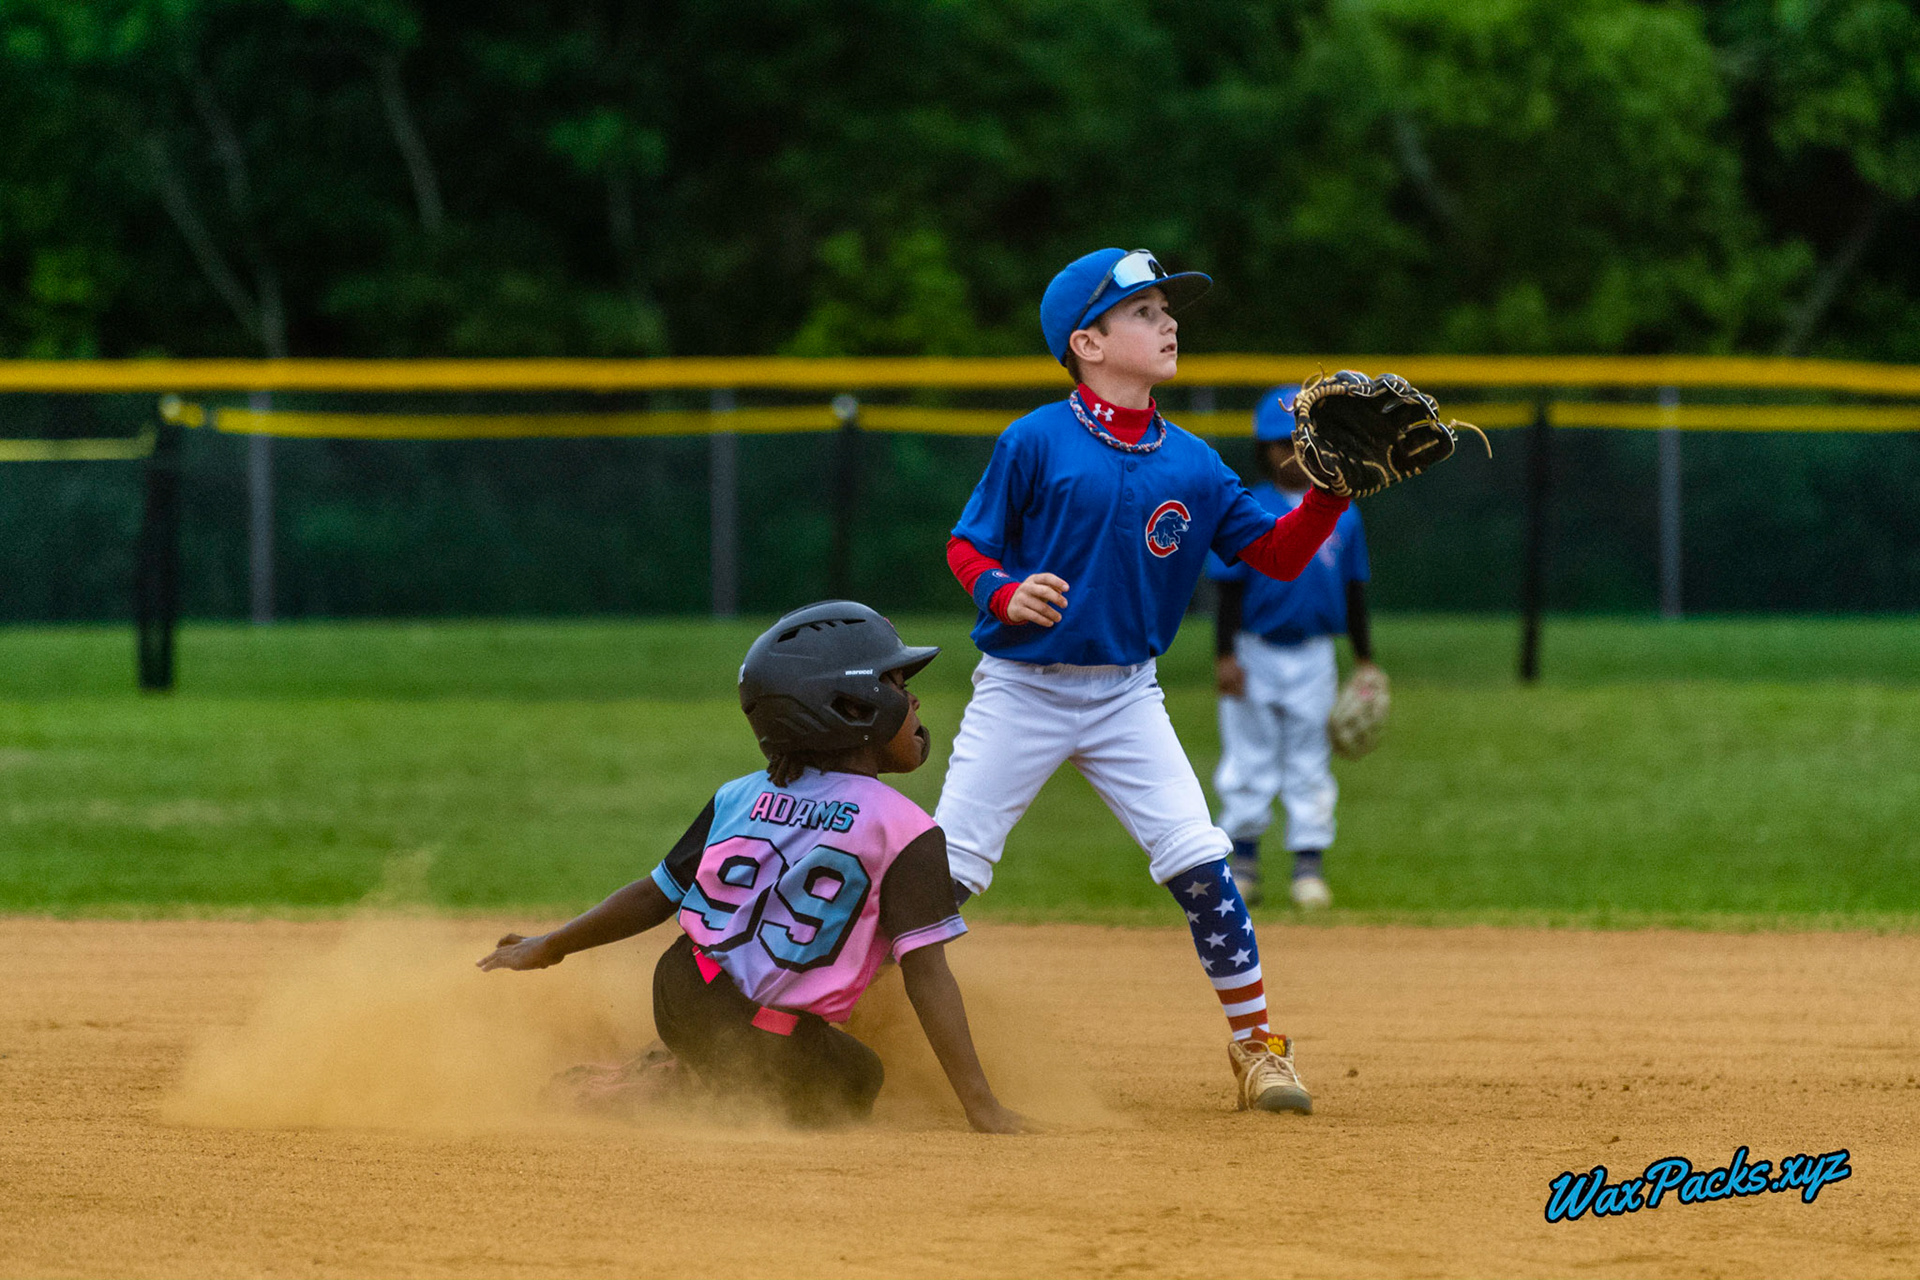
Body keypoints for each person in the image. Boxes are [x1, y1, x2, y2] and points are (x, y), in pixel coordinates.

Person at [938, 247, 1349, 1115]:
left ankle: (1257, 1048)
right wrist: (1002, 592)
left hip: (1126, 694)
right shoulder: (1035, 440)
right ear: (1087, 343)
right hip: (1023, 689)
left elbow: (1274, 555)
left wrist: (1328, 495)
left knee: (1202, 863)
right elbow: (968, 544)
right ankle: (827, 1010)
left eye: (1168, 312)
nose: (1168, 325)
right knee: (945, 874)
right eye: (1145, 312)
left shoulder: (1194, 463)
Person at [478, 601, 1025, 1134]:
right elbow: (927, 975)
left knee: (779, 1026)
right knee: (858, 1078)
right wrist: (982, 1107)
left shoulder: (741, 794)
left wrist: (552, 944)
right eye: (898, 685)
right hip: (754, 1036)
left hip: (679, 986)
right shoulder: (907, 829)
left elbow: (655, 894)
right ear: (854, 707)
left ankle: (682, 1065)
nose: (915, 701)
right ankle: (664, 1089)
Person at [1208, 386, 1376, 911]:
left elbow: (1354, 592)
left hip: (1315, 654)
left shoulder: (1342, 512)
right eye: (1282, 444)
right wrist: (1224, 655)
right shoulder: (1248, 506)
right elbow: (1228, 590)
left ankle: (1308, 865)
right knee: (1248, 758)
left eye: (1303, 443)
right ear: (1264, 450)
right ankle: (1244, 861)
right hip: (1253, 650)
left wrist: (1365, 660)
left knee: (1310, 759)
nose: (1292, 454)